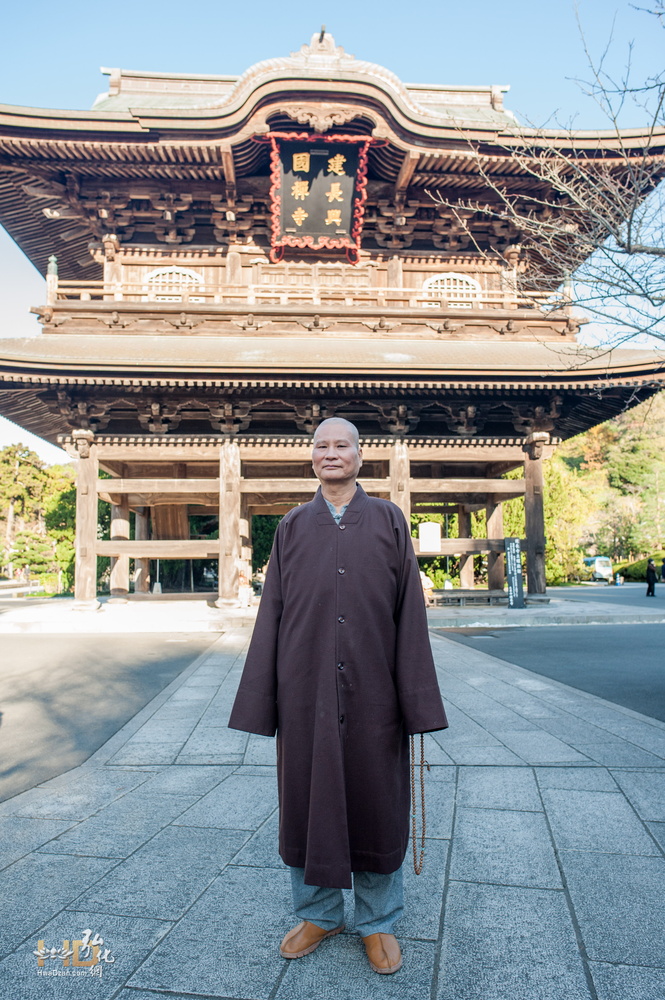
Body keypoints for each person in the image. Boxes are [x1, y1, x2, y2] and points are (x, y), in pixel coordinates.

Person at [228, 417, 448, 975]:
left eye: (341, 445)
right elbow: (271, 613)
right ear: (311, 457)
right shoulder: (293, 526)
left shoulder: (389, 521)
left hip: (376, 692)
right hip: (305, 692)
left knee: (378, 805)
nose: (331, 454)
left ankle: (377, 922)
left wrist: (416, 701)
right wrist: (263, 700)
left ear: (358, 454)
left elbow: (410, 619)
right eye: (321, 446)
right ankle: (318, 913)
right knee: (307, 804)